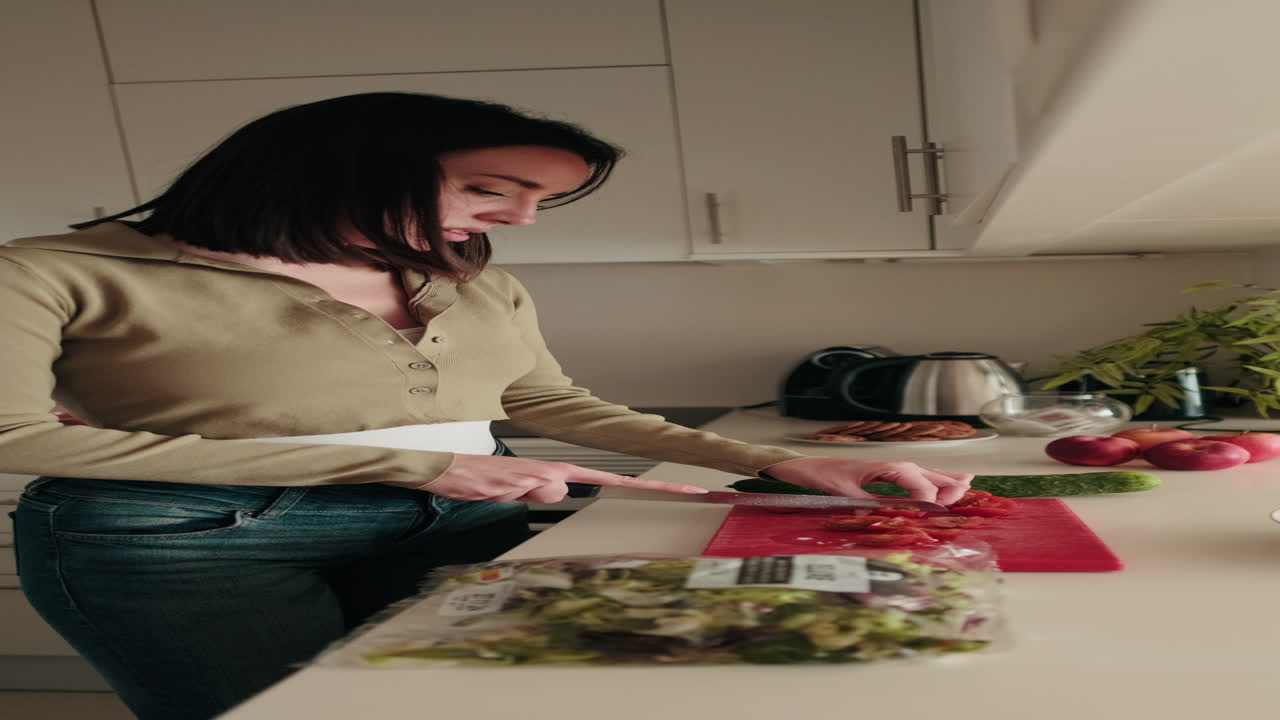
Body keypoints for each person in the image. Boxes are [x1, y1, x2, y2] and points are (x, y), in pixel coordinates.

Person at [1, 92, 973, 719]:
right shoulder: (56, 270)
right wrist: (411, 464)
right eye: (489, 189)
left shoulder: (464, 277)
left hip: (458, 514)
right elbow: (15, 437)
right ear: (341, 169)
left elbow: (549, 401)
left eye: (540, 201)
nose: (517, 220)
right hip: (180, 541)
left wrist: (771, 463)